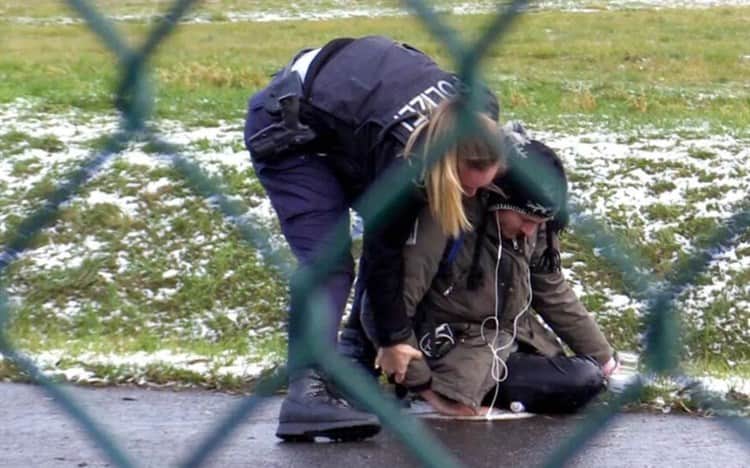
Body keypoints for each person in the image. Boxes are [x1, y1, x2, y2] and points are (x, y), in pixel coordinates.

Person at [243, 35, 507, 441]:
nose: (471, 196)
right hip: (288, 128)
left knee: (414, 221)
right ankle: (306, 392)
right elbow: (385, 250)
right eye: (464, 186)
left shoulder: (481, 108)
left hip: (348, 118)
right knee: (329, 262)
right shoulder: (404, 165)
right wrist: (394, 339)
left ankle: (353, 363)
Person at [354, 127, 618, 415]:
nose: (530, 231)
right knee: (581, 381)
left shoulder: (533, 224)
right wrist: (425, 386)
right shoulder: (446, 217)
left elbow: (551, 289)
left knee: (590, 373)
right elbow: (384, 305)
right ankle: (457, 391)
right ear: (497, 198)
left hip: (507, 340)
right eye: (525, 220)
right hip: (451, 349)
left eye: (539, 224)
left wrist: (603, 358)